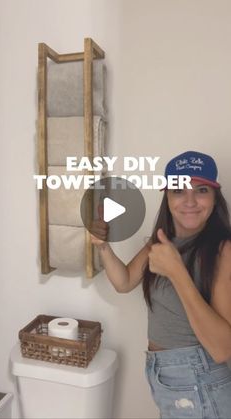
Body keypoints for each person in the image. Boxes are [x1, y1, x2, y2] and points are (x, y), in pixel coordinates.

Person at [91, 150, 231, 419]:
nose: (190, 201)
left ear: (215, 197)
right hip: (165, 376)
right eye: (178, 190)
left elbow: (222, 348)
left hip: (201, 379)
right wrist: (103, 247)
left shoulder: (222, 250)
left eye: (201, 190)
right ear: (167, 197)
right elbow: (124, 282)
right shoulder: (159, 243)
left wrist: (177, 272)